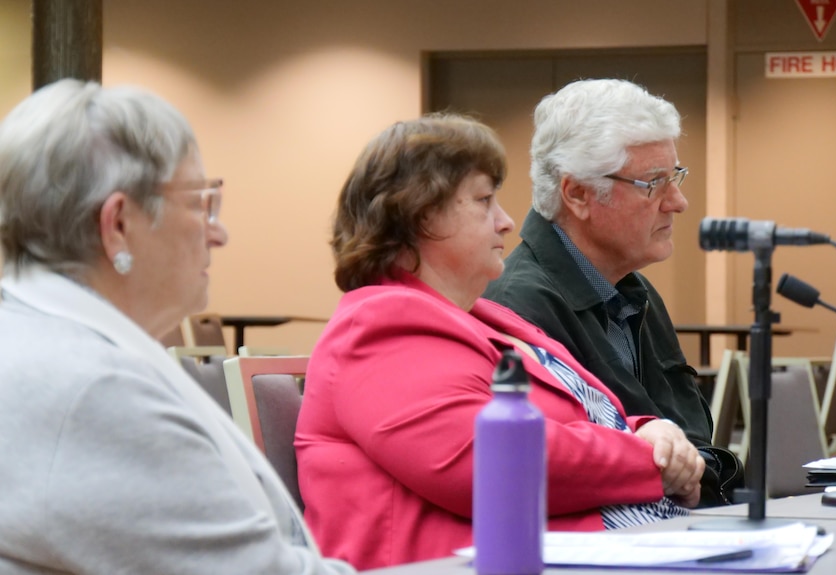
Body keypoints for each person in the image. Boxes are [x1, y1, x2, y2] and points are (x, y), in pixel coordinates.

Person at [295, 113, 705, 570]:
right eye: (485, 201)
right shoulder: (380, 327)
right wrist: (649, 461)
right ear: (418, 216)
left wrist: (650, 430)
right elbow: (488, 464)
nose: (507, 222)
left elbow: (581, 418)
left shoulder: (486, 317)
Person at [0, 79, 353, 575]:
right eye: (199, 203)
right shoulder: (96, 393)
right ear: (118, 224)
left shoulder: (31, 332)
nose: (219, 233)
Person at [483, 78, 743, 506]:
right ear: (578, 194)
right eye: (653, 183)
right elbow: (560, 473)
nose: (678, 201)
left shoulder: (634, 291)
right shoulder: (517, 309)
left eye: (675, 176)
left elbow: (687, 435)